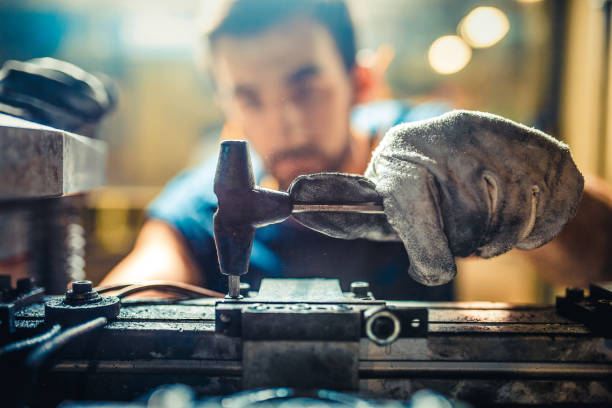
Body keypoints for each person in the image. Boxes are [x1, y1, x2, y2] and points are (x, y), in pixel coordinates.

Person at [99, 0, 611, 299]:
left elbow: (601, 255)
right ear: (228, 105)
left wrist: (539, 202)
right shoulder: (202, 204)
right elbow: (137, 293)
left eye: (305, 87)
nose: (284, 122)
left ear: (360, 80)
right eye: (250, 97)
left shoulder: (426, 150)